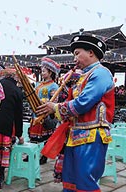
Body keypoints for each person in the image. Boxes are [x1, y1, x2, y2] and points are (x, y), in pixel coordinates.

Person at [36, 35, 115, 191]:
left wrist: (56, 107)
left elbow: (84, 103)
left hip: (92, 135)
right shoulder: (82, 77)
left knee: (85, 180)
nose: (75, 58)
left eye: (77, 53)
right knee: (70, 179)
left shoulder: (101, 73)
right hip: (75, 135)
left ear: (91, 52)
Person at [0, 67, 24, 188]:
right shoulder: (17, 90)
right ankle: (0, 176)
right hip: (6, 128)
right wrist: (19, 134)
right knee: (2, 154)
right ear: (15, 78)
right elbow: (18, 115)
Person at [28, 57, 60, 165]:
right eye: (41, 71)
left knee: (46, 137)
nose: (42, 73)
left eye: (44, 71)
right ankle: (31, 154)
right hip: (36, 111)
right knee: (33, 136)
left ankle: (44, 156)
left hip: (45, 113)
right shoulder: (39, 84)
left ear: (50, 72)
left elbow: (54, 101)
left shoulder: (54, 86)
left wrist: (45, 102)